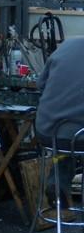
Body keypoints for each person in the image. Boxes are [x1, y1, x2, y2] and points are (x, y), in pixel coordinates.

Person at [35, 37, 84, 206]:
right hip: (78, 134)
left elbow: (40, 84)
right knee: (76, 138)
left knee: (67, 143)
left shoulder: (68, 45)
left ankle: (58, 180)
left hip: (49, 130)